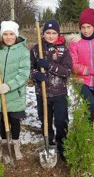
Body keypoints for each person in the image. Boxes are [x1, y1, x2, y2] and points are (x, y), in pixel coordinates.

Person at [0, 21, 30, 160]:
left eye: (11, 34)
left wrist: (9, 86)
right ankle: (4, 144)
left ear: (16, 35)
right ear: (1, 35)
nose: (8, 37)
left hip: (14, 92)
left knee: (15, 120)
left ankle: (15, 144)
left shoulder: (23, 51)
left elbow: (23, 74)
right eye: (5, 34)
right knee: (4, 119)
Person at [30, 20, 72, 161]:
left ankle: (62, 145)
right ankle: (50, 143)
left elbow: (67, 71)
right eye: (48, 33)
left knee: (61, 121)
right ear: (43, 34)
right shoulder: (36, 49)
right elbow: (30, 68)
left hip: (59, 93)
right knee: (45, 120)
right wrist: (36, 75)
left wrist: (49, 65)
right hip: (41, 93)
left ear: (58, 34)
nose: (51, 35)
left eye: (54, 33)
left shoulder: (63, 50)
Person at [69, 8, 94, 122]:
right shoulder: (75, 43)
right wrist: (91, 70)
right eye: (83, 27)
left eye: (89, 27)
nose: (86, 30)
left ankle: (89, 131)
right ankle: (84, 128)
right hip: (81, 80)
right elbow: (73, 65)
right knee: (90, 103)